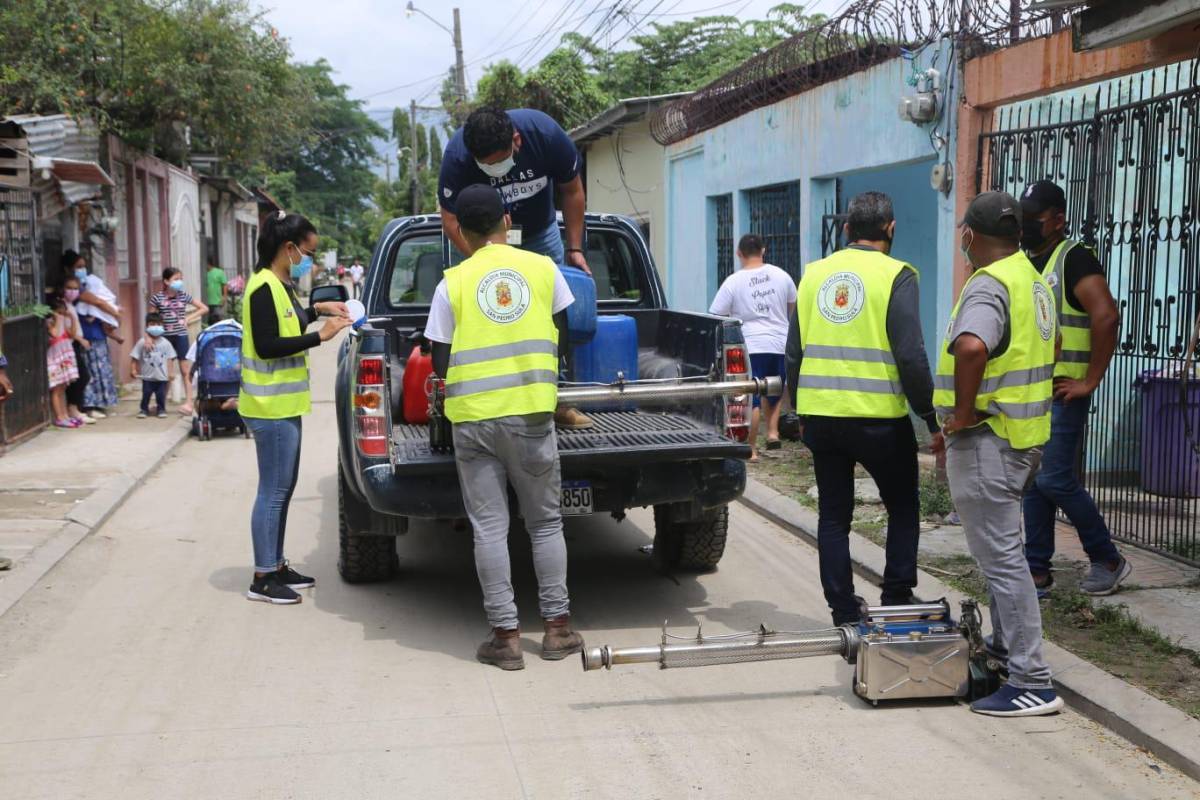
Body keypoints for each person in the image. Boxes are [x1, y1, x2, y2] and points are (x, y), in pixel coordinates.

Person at [424, 184, 583, 670]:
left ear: (462, 234)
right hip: (533, 414)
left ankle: (506, 639)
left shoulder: (451, 282)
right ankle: (556, 630)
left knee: (490, 529)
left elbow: (439, 357)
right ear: (507, 221)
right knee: (545, 523)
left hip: (473, 420)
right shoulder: (542, 267)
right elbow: (563, 334)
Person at [933, 191, 1062, 717]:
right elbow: (1049, 352)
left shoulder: (988, 284)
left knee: (1004, 563)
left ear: (970, 236)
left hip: (988, 442)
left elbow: (971, 347)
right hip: (1022, 437)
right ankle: (1008, 653)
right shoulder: (1034, 279)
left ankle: (1034, 680)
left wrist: (962, 416)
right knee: (1005, 553)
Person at [786, 191, 941, 626]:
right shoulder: (898, 276)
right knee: (903, 507)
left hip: (822, 418)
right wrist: (929, 417)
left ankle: (843, 611)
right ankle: (895, 596)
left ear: (848, 229)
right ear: (891, 229)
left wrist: (797, 412)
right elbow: (911, 355)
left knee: (834, 516)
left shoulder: (814, 275)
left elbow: (793, 352)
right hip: (880, 422)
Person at [439, 106, 594, 430]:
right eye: (486, 165)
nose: (495, 170)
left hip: (539, 235)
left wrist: (575, 247)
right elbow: (451, 219)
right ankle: (470, 399)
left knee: (551, 316)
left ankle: (557, 400)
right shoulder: (457, 156)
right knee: (477, 313)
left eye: (499, 160)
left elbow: (572, 189)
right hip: (479, 239)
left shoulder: (547, 135)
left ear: (517, 141)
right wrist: (485, 259)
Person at [1018, 180, 1128, 597]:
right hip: (1035, 392)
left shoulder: (1074, 259)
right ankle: (1037, 572)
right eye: (1023, 219)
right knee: (1034, 480)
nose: (1027, 226)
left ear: (1058, 220)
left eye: (1035, 220)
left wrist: (1091, 380)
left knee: (1056, 480)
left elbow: (1106, 316)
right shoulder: (1029, 260)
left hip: (1065, 391)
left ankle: (1108, 558)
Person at [240, 210, 351, 605]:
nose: (310, 259)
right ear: (289, 248)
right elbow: (268, 345)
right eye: (307, 251)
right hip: (268, 406)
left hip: (283, 404)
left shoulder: (279, 285)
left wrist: (318, 312)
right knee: (272, 491)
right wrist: (321, 337)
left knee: (282, 490)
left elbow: (287, 324)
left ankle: (276, 563)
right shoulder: (262, 287)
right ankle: (263, 578)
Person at [710, 234, 796, 461]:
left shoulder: (733, 281)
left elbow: (716, 315)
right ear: (763, 250)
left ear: (739, 254)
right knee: (775, 389)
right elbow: (792, 310)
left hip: (751, 344)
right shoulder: (783, 276)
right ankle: (773, 433)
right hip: (779, 342)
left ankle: (751, 448)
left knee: (752, 396)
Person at [69, 252, 121, 418]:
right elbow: (98, 302)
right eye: (78, 267)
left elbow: (99, 303)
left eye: (83, 266)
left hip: (97, 334)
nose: (82, 270)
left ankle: (100, 404)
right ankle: (89, 406)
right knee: (90, 371)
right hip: (85, 336)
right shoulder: (76, 289)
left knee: (101, 369)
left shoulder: (88, 284)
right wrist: (115, 312)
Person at [149, 267, 207, 416]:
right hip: (164, 339)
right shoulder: (157, 298)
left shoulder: (183, 296)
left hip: (181, 336)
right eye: (176, 279)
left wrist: (188, 318)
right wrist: (149, 337)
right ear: (166, 281)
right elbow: (150, 320)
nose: (179, 282)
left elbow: (203, 308)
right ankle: (160, 404)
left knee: (185, 370)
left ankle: (188, 402)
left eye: (180, 279)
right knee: (165, 372)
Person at [60, 273, 94, 425]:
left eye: (75, 288)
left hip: (75, 343)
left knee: (80, 376)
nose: (72, 291)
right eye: (69, 288)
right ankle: (72, 408)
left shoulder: (71, 305)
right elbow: (65, 328)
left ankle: (74, 408)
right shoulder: (61, 306)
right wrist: (80, 339)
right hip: (68, 344)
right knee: (80, 377)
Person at [45, 289, 82, 429]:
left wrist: (71, 318)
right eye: (60, 312)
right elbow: (55, 335)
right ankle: (59, 417)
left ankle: (65, 414)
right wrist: (59, 319)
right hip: (56, 359)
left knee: (63, 387)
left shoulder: (63, 322)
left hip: (65, 358)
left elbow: (72, 334)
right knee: (56, 388)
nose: (62, 314)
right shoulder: (50, 323)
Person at [205, 261, 228, 325]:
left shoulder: (219, 272)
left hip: (217, 301)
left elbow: (225, 285)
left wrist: (224, 297)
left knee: (218, 319)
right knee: (209, 321)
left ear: (208, 263)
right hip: (205, 302)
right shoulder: (204, 273)